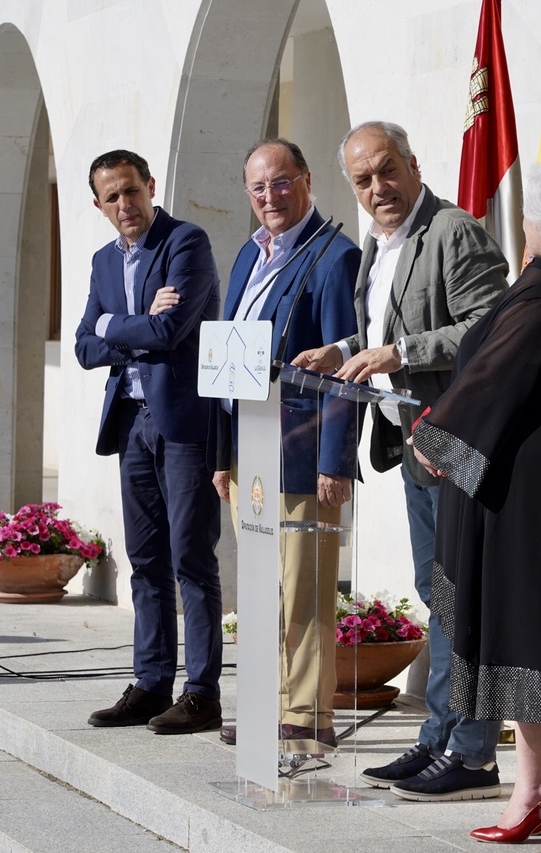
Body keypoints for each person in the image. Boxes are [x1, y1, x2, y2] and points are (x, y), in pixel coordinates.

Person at [292, 120, 508, 802]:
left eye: (388, 171)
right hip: (413, 446)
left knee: (462, 597)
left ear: (414, 164)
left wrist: (401, 354)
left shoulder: (454, 231)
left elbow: (491, 324)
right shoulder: (378, 244)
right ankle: (440, 737)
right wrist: (345, 348)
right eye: (363, 179)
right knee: (439, 593)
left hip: (457, 445)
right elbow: (390, 324)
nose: (378, 188)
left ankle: (472, 751)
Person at [409, 160, 541, 843]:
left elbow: (502, 372)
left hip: (525, 486)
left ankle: (528, 792)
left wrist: (437, 435)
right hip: (522, 480)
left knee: (526, 637)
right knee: (536, 636)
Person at [200, 138, 361, 750]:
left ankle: (309, 716)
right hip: (250, 447)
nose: (271, 196)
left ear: (308, 180)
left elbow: (345, 369)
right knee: (263, 587)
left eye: (282, 182)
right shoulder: (247, 255)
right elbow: (225, 360)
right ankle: (269, 707)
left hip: (301, 452)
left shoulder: (334, 256)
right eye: (259, 187)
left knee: (305, 588)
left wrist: (334, 460)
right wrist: (222, 456)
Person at [76, 149, 224, 735]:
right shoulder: (102, 262)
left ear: (150, 186)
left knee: (191, 556)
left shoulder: (186, 242)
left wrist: (116, 325)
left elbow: (172, 328)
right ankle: (150, 682)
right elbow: (85, 345)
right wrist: (122, 326)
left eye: (131, 191)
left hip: (184, 422)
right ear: (98, 205)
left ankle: (203, 692)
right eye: (112, 197)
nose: (124, 205)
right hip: (131, 422)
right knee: (144, 560)